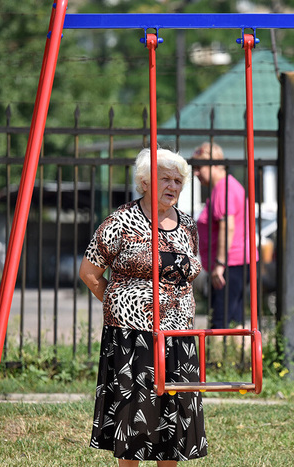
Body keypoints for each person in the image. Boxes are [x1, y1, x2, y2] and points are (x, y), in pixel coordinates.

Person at [79, 148, 207, 466]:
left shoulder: (188, 226)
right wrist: (121, 305)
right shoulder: (121, 221)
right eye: (166, 178)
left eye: (178, 180)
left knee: (176, 417)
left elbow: (191, 272)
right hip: (133, 337)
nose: (173, 186)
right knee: (134, 414)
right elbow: (89, 273)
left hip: (178, 334)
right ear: (145, 181)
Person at [191, 141, 258, 330]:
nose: (195, 173)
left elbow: (227, 227)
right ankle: (236, 359)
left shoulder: (224, 189)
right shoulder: (224, 187)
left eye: (199, 167)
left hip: (230, 264)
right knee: (234, 320)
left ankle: (218, 359)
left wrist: (219, 265)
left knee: (220, 322)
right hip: (236, 263)